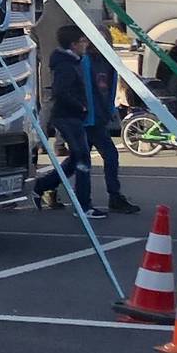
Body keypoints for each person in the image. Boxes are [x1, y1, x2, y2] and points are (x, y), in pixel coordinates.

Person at [43, 26, 111, 218]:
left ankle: (42, 186)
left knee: (76, 159)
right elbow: (60, 91)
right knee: (82, 159)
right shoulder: (66, 65)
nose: (86, 45)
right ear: (74, 44)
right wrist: (81, 105)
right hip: (68, 117)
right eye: (82, 41)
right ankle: (83, 205)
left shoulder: (75, 62)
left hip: (73, 117)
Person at [83, 39, 140, 214]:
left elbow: (110, 86)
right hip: (86, 119)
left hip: (99, 118)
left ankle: (114, 196)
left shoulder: (108, 61)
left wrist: (109, 110)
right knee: (87, 161)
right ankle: (110, 197)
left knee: (103, 157)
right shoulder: (85, 60)